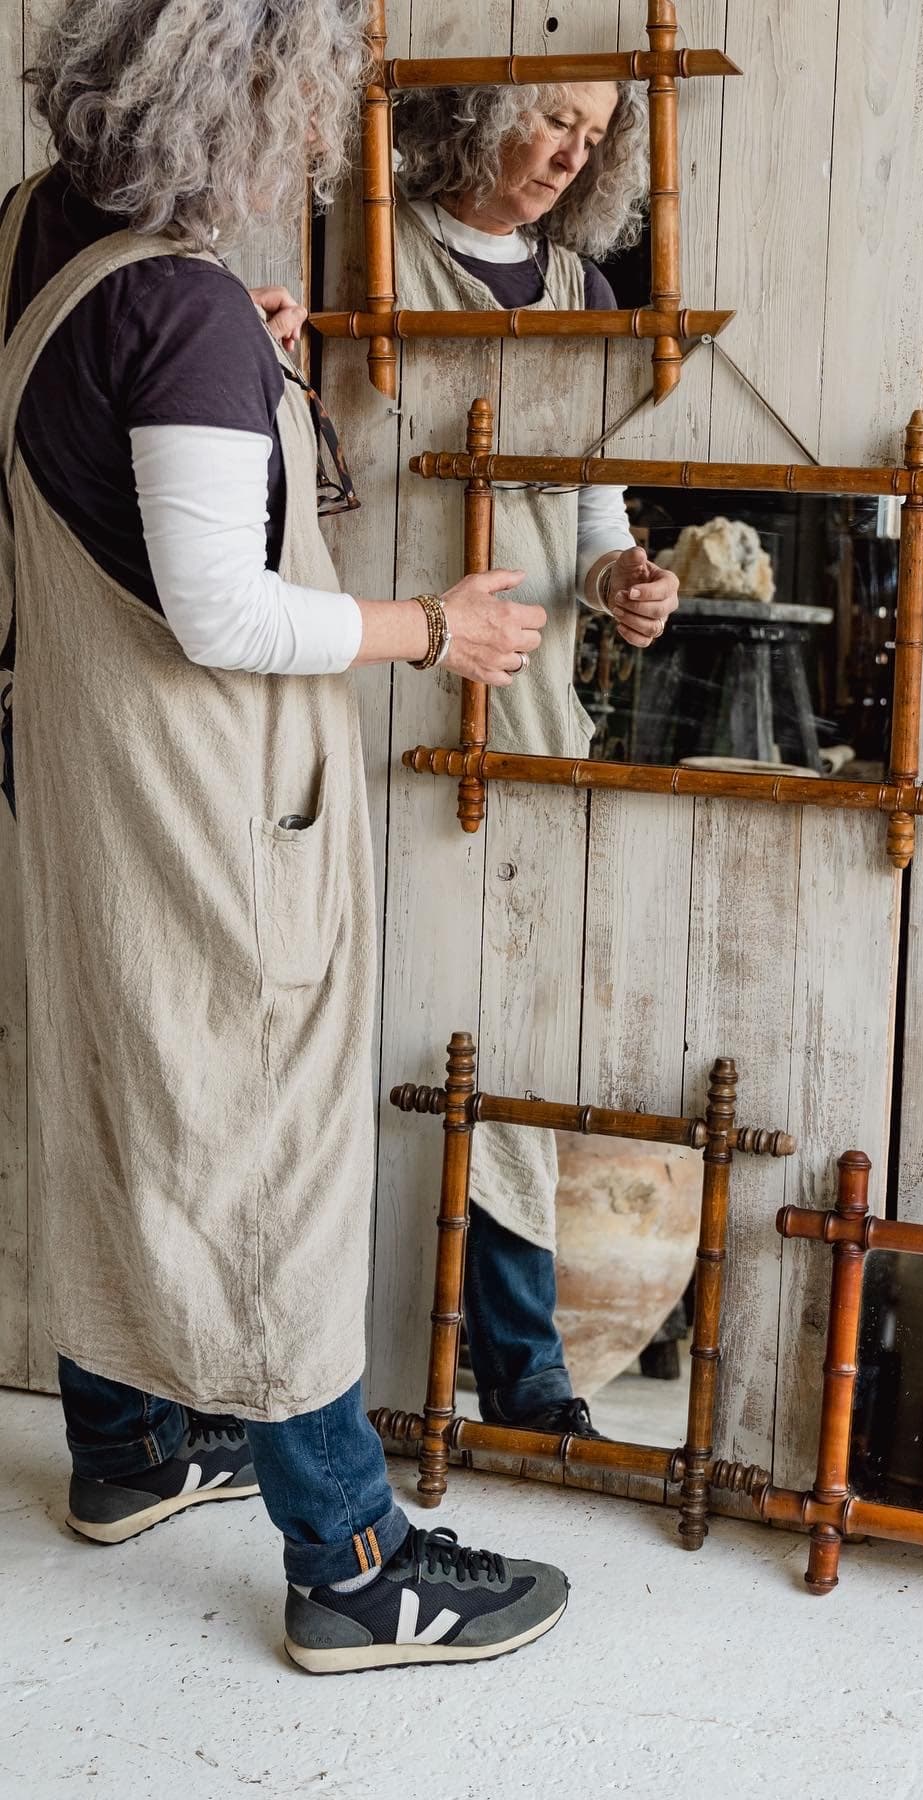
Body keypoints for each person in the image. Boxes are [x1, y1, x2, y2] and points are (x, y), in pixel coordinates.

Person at [1, 0, 568, 1675]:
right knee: (264, 1156)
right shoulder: (171, 311)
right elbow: (227, 611)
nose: (320, 135)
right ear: (235, 101)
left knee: (131, 1090)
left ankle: (126, 1450)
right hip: (213, 805)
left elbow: (104, 446)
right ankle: (354, 1563)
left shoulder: (43, 235)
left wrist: (248, 367)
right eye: (310, 98)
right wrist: (431, 629)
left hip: (97, 787)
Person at [392, 82, 681, 1437]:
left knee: (498, 1032)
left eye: (598, 129)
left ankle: (517, 1363)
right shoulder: (372, 248)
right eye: (555, 116)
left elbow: (583, 514)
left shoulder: (578, 288)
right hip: (380, 687)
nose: (578, 150)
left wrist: (624, 580)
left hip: (528, 715)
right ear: (479, 109)